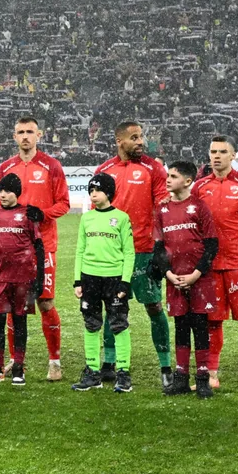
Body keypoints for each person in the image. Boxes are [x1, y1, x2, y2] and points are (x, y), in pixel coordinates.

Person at [95, 121, 172, 387]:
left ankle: (166, 365)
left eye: (142, 137)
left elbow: (163, 209)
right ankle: (109, 363)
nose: (141, 142)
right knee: (113, 306)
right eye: (135, 137)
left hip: (144, 251)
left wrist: (160, 249)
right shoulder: (104, 170)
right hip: (113, 253)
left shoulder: (154, 169)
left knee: (154, 306)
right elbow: (96, 213)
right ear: (120, 141)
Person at [191, 135, 238, 394]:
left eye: (222, 152)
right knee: (212, 322)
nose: (216, 156)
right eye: (213, 151)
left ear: (233, 155)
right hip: (210, 266)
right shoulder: (200, 187)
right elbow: (191, 225)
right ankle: (212, 375)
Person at [0, 116, 70, 381]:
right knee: (14, 304)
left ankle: (55, 362)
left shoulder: (52, 166)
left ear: (39, 135)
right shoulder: (6, 168)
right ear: (14, 136)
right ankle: (17, 362)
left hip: (43, 245)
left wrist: (42, 214)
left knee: (45, 302)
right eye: (21, 132)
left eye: (30, 131)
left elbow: (64, 204)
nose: (25, 136)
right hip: (13, 248)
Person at [149, 161, 218, 398]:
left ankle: (202, 379)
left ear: (188, 181)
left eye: (173, 176)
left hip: (200, 279)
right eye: (167, 175)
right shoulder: (162, 209)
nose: (168, 180)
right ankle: (181, 378)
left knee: (200, 326)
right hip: (175, 279)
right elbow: (158, 248)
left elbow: (212, 245)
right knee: (180, 327)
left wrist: (196, 274)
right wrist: (169, 274)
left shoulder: (199, 207)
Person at [72, 174, 135, 393]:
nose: (93, 194)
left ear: (108, 193)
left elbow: (129, 252)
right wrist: (77, 280)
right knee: (91, 324)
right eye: (91, 191)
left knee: (118, 324)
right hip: (89, 279)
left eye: (97, 190)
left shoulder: (122, 218)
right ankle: (92, 372)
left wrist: (125, 282)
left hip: (114, 279)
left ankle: (123, 373)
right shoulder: (86, 218)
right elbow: (80, 250)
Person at [0, 174, 45, 386]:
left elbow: (39, 247)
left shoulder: (28, 215)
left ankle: (18, 366)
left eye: (8, 191)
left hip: (23, 278)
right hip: (0, 277)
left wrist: (40, 278)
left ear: (17, 193)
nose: (3, 194)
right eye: (0, 190)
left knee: (19, 321)